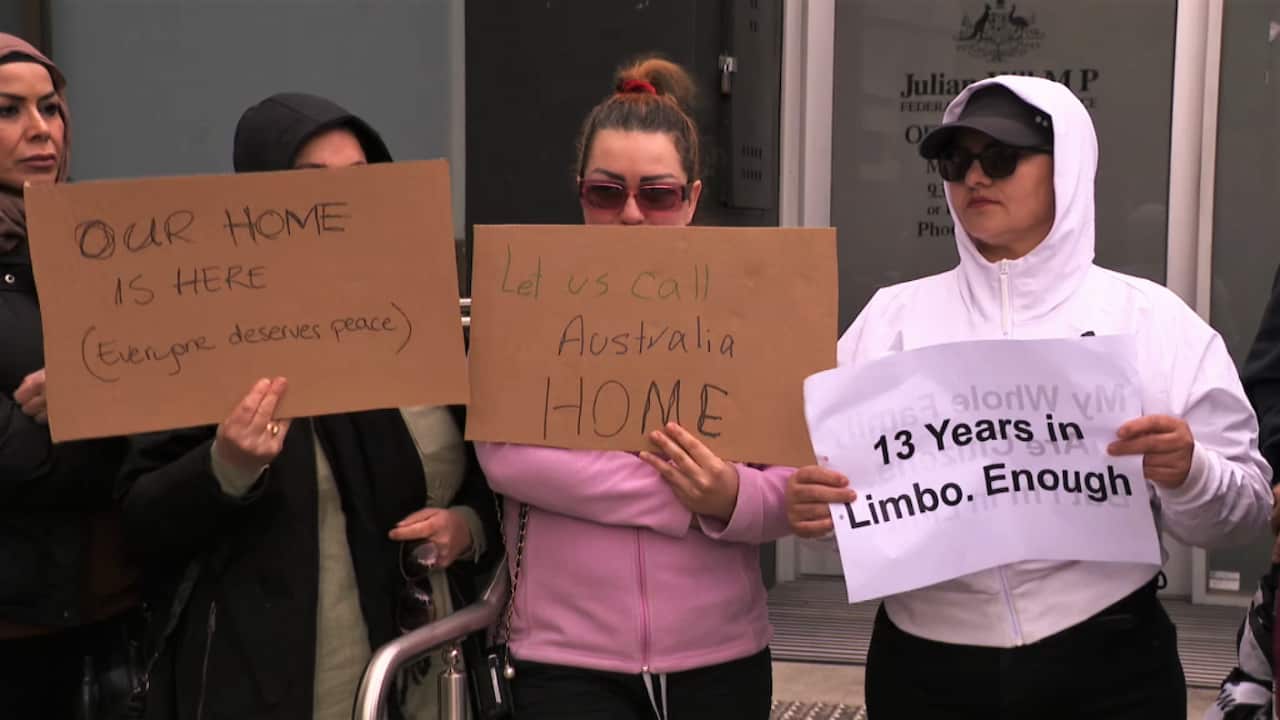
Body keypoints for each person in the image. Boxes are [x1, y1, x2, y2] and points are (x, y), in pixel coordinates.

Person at [785, 75, 1274, 718]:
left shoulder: (1153, 322)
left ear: (1065, 169)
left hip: (1107, 664)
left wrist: (1189, 471)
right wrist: (819, 515)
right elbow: (847, 515)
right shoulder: (888, 322)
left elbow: (1242, 512)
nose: (976, 178)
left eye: (1003, 157)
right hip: (925, 669)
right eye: (956, 161)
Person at [118, 92, 500, 720]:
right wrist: (226, 465)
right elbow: (142, 519)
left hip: (422, 671)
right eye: (310, 187)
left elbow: (488, 472)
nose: (340, 205)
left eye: (359, 182)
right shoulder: (207, 331)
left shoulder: (415, 319)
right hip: (278, 680)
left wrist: (468, 526)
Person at [474, 57, 793, 720]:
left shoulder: (754, 311)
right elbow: (507, 456)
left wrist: (732, 496)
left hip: (721, 657)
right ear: (579, 191)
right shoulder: (529, 299)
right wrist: (687, 497)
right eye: (605, 192)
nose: (631, 215)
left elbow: (794, 481)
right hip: (566, 662)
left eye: (658, 195)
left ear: (694, 197)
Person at [0, 33, 144, 720]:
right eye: (8, 110)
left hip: (113, 608)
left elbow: (166, 424)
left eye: (51, 108)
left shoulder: (106, 248)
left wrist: (92, 389)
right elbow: (18, 461)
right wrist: (110, 407)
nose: (40, 130)